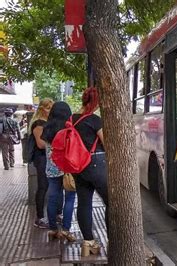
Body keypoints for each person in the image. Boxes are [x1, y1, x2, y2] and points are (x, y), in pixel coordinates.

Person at [72, 87, 108, 256]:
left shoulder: (71, 119)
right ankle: (113, 240)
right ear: (96, 102)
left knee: (84, 203)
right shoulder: (94, 120)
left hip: (77, 166)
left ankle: (88, 243)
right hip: (95, 164)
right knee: (112, 202)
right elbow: (106, 142)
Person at [41, 102, 76, 242]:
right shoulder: (70, 128)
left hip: (52, 168)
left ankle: (53, 229)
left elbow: (45, 146)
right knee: (70, 198)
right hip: (68, 168)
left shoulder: (46, 128)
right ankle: (66, 230)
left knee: (52, 198)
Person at [30, 98, 54, 228]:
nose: (49, 110)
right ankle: (39, 218)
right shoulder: (39, 123)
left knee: (47, 186)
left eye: (51, 107)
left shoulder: (47, 122)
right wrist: (56, 144)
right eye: (47, 107)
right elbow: (40, 144)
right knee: (43, 186)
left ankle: (45, 216)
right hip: (41, 158)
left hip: (47, 157)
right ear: (41, 109)